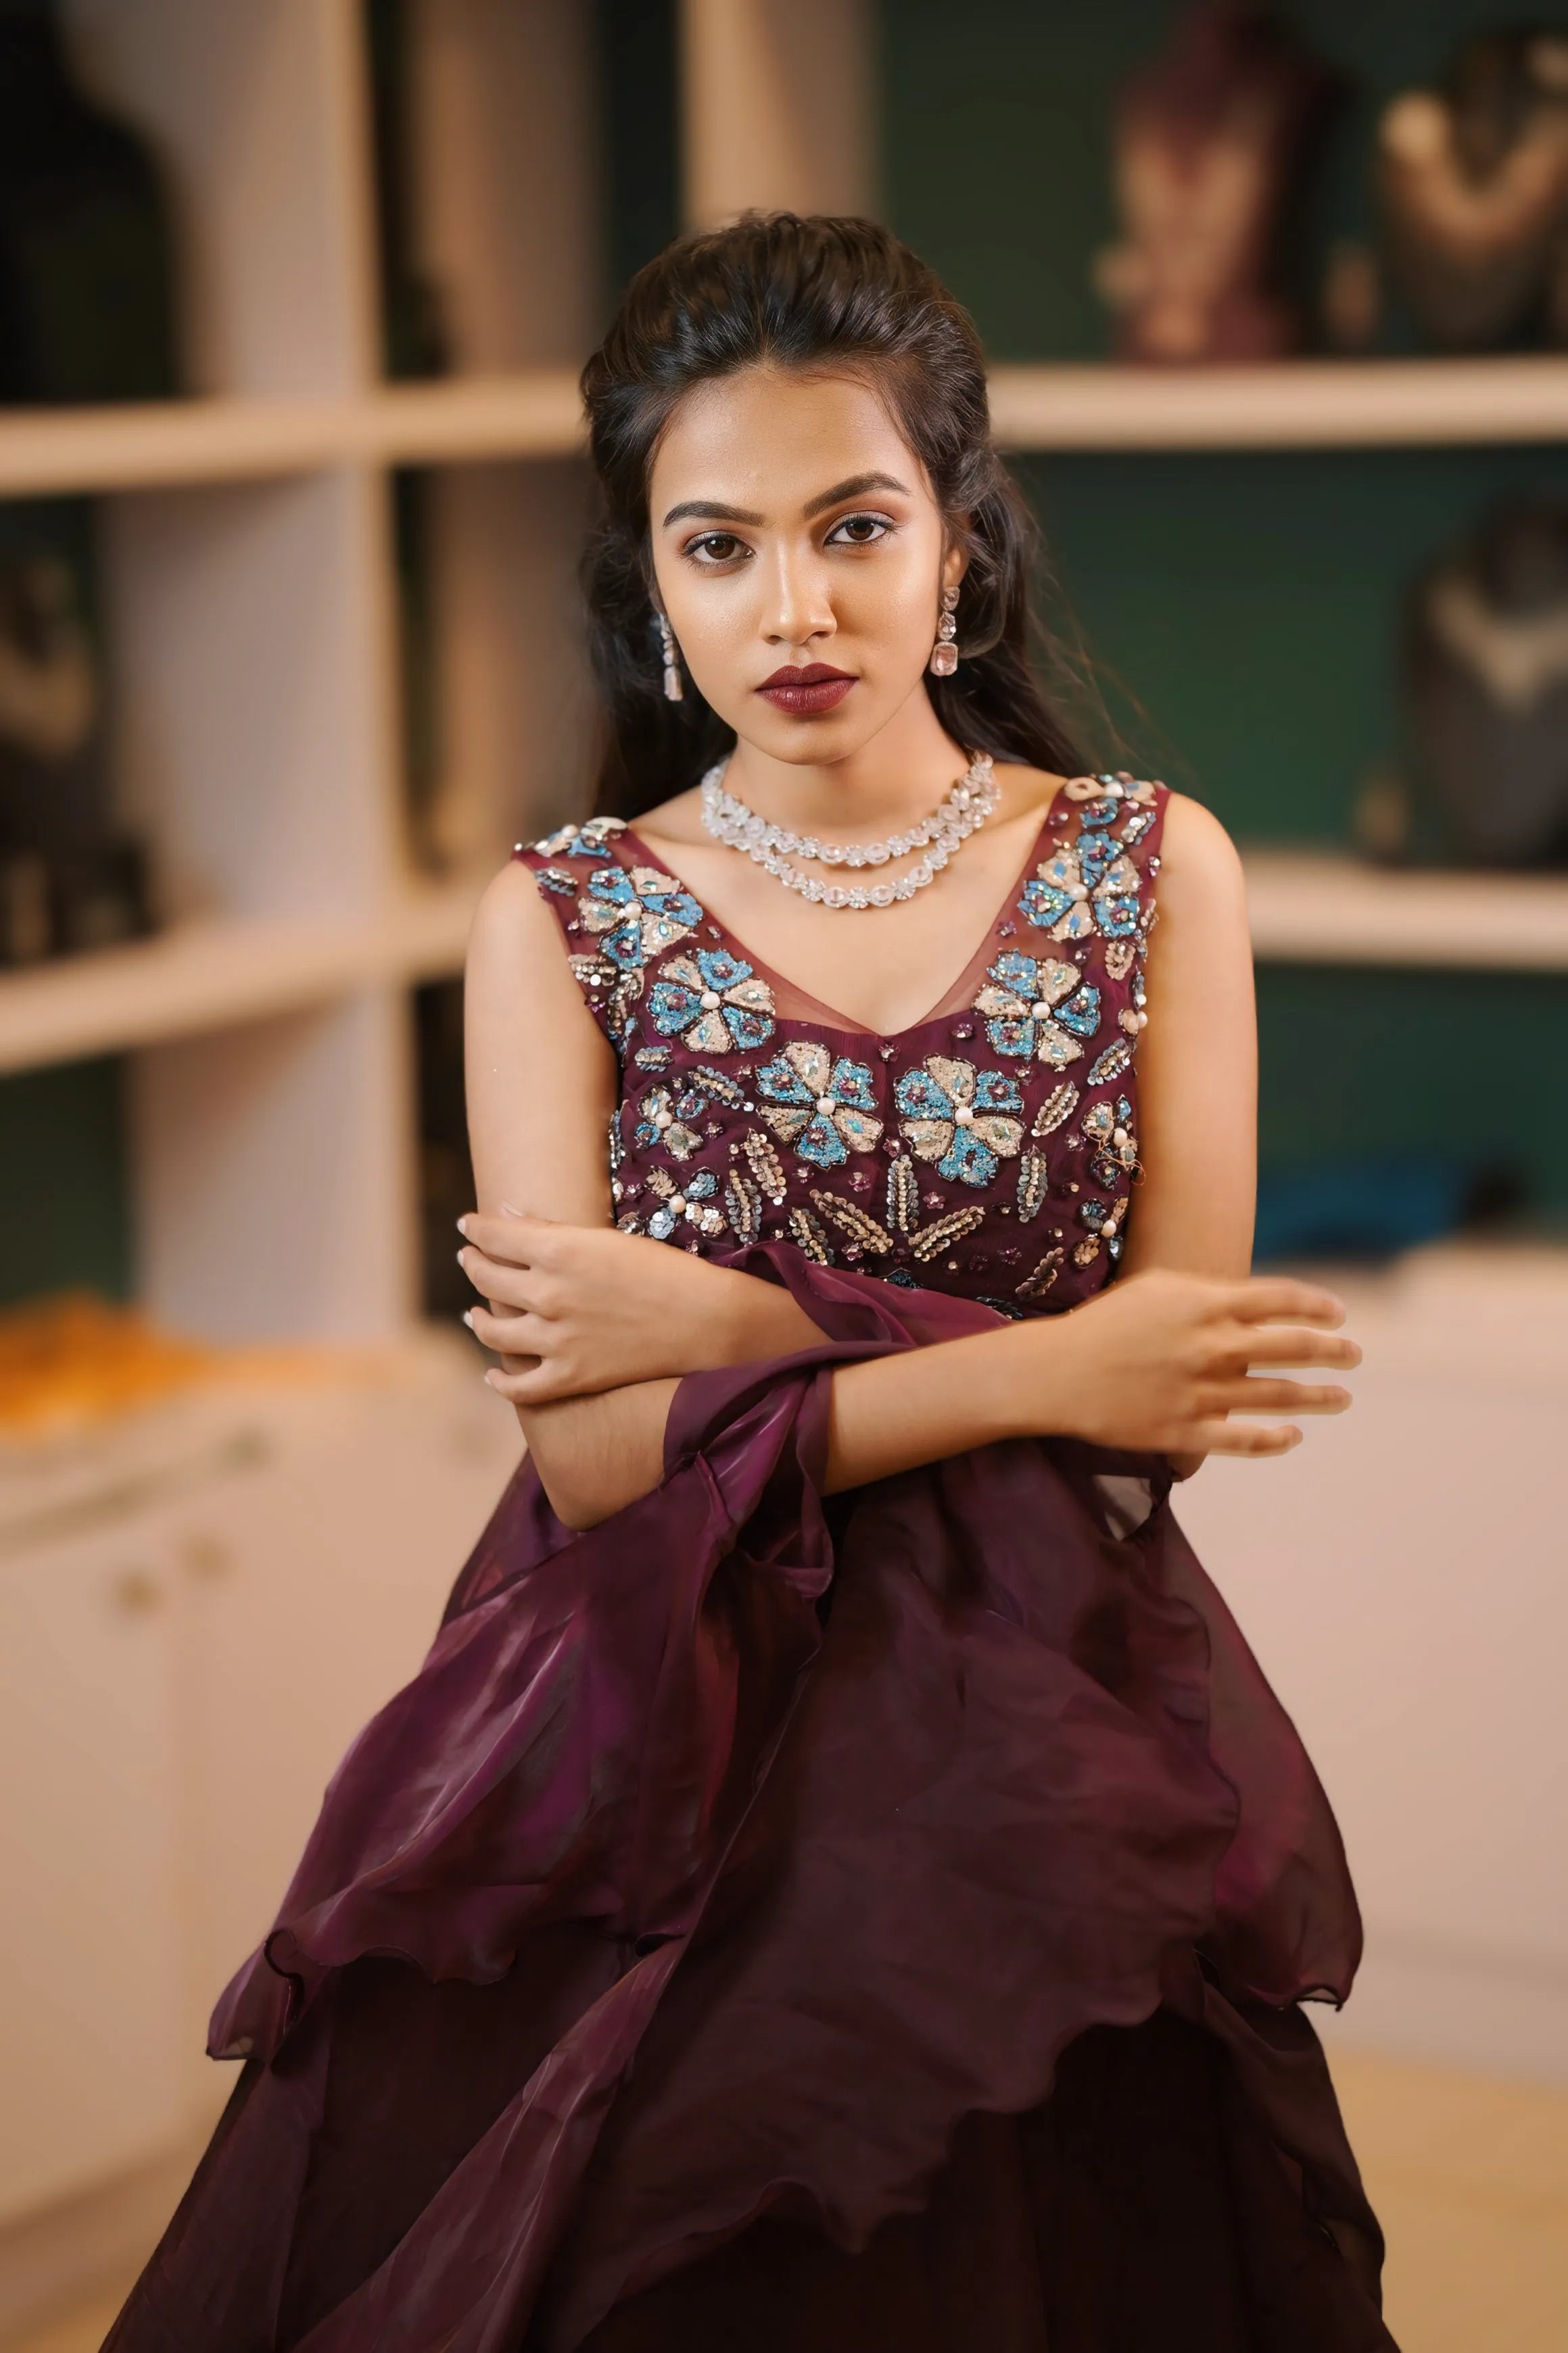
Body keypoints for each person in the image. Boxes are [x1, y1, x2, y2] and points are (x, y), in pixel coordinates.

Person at [105, 214, 1394, 2352]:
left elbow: (1172, 1392)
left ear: (961, 549)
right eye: (716, 547)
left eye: (855, 526)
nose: (790, 607)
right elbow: (609, 1467)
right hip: (655, 1753)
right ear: (651, 590)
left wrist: (739, 1324)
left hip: (1052, 1745)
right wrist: (1032, 1361)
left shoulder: (1155, 872)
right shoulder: (568, 922)